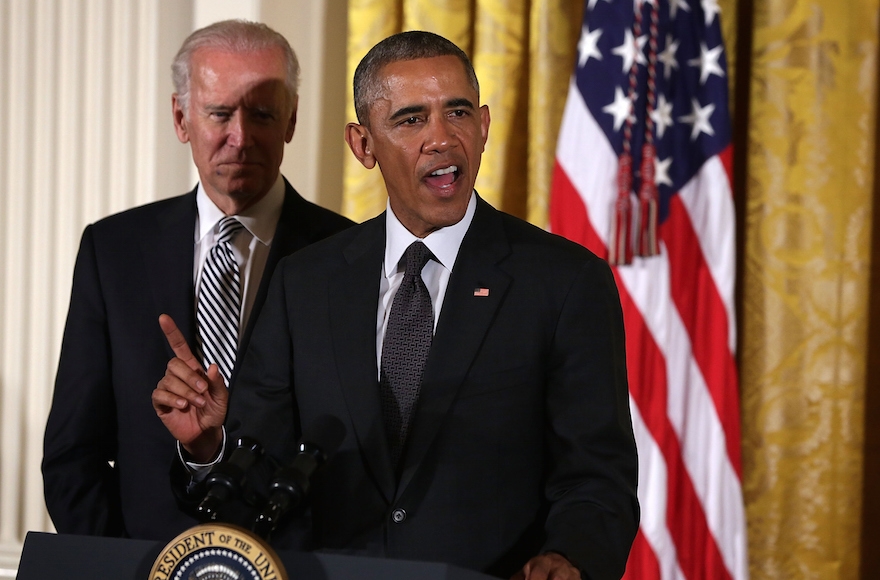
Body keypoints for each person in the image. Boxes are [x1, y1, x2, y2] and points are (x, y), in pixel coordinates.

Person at [153, 31, 638, 579]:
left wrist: (570, 557)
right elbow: (263, 476)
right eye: (410, 119)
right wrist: (208, 445)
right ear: (363, 146)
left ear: (482, 127)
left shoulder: (564, 282)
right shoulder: (306, 283)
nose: (441, 138)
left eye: (456, 112)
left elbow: (598, 477)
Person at [42, 20, 354, 541]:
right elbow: (74, 455)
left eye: (261, 114)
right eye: (220, 114)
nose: (241, 137)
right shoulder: (113, 250)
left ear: (291, 120)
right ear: (181, 117)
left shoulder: (348, 256)